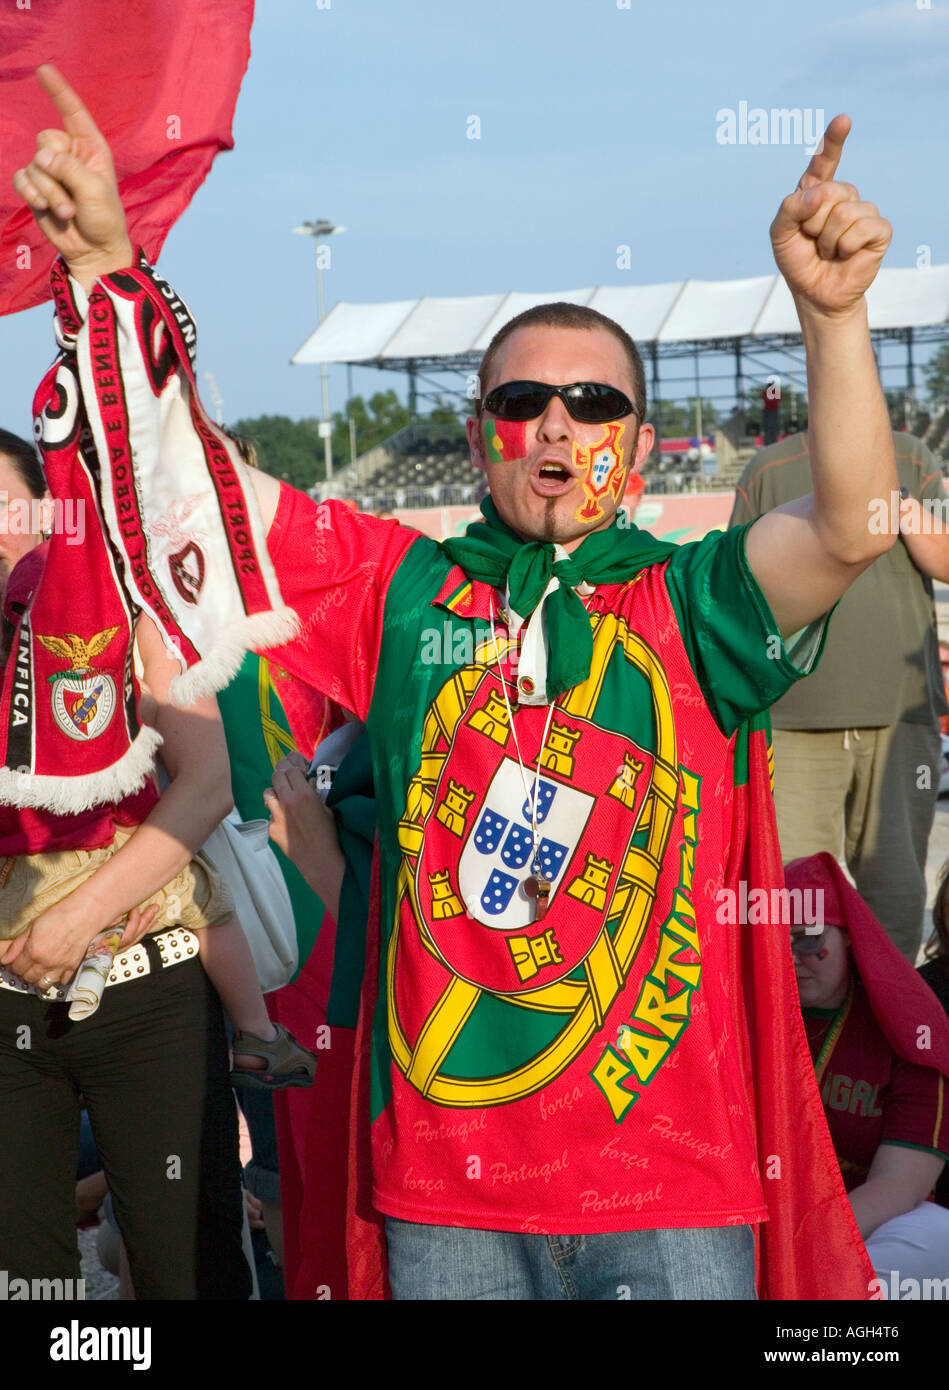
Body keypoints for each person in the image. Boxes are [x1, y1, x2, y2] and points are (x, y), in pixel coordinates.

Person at [15, 67, 897, 1301]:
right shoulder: (398, 590)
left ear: (637, 445)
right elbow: (202, 498)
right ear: (481, 434)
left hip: (673, 1181)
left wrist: (833, 317)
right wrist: (113, 275)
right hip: (445, 1186)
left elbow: (855, 525)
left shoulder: (690, 604)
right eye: (519, 400)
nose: (554, 424)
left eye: (592, 404)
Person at [729, 430, 949, 961]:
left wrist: (891, 500)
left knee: (895, 891)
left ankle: (894, 1024)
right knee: (796, 898)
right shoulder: (768, 467)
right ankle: (804, 1035)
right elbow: (735, 581)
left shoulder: (909, 456)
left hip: (899, 716)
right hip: (792, 715)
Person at [786, 854, 949, 1288]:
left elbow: (901, 1184)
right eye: (775, 941)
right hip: (765, 1212)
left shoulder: (905, 1023)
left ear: (849, 936)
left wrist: (808, 1238)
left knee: (937, 1235)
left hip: (871, 1219)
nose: (792, 956)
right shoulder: (752, 1013)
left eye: (807, 939)